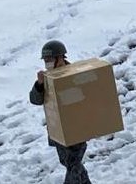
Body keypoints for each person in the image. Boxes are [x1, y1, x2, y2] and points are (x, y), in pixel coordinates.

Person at [29, 40, 93, 184]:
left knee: (73, 164)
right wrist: (39, 85)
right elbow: (35, 100)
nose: (47, 63)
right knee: (69, 163)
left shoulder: (75, 74)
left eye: (50, 59)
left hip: (77, 129)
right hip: (58, 131)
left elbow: (86, 96)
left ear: (61, 57)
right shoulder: (47, 78)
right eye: (45, 60)